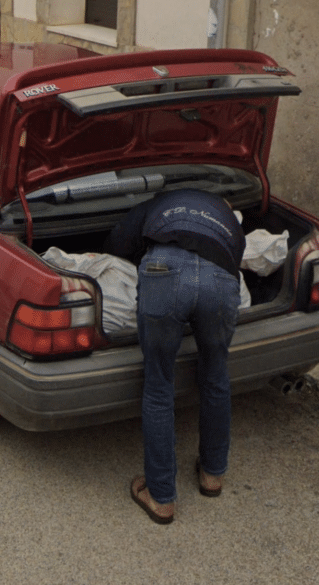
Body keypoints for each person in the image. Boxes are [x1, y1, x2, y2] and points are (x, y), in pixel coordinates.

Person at [103, 188, 245, 525]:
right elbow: (236, 261)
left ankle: (161, 496)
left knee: (158, 387)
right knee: (215, 376)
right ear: (226, 208)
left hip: (164, 270)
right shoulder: (229, 222)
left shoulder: (161, 202)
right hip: (221, 280)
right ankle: (212, 475)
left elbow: (118, 243)